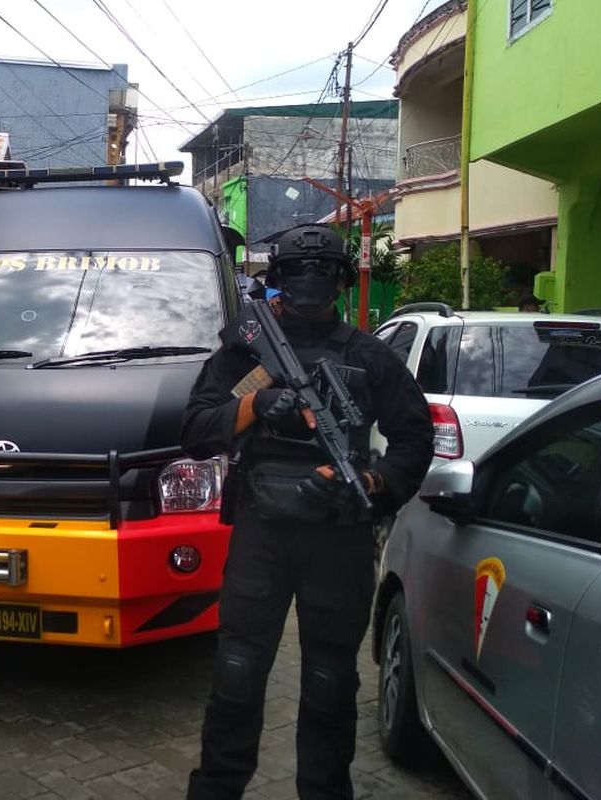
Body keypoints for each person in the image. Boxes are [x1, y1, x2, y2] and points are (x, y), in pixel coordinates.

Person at [182, 224, 434, 800]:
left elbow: (414, 439)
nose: (310, 284)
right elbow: (195, 432)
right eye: (298, 272)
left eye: (322, 273)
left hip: (338, 536)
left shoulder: (369, 357)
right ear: (277, 282)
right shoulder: (249, 353)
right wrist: (256, 403)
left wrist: (371, 481)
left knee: (329, 681)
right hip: (262, 534)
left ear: (342, 282)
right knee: (237, 674)